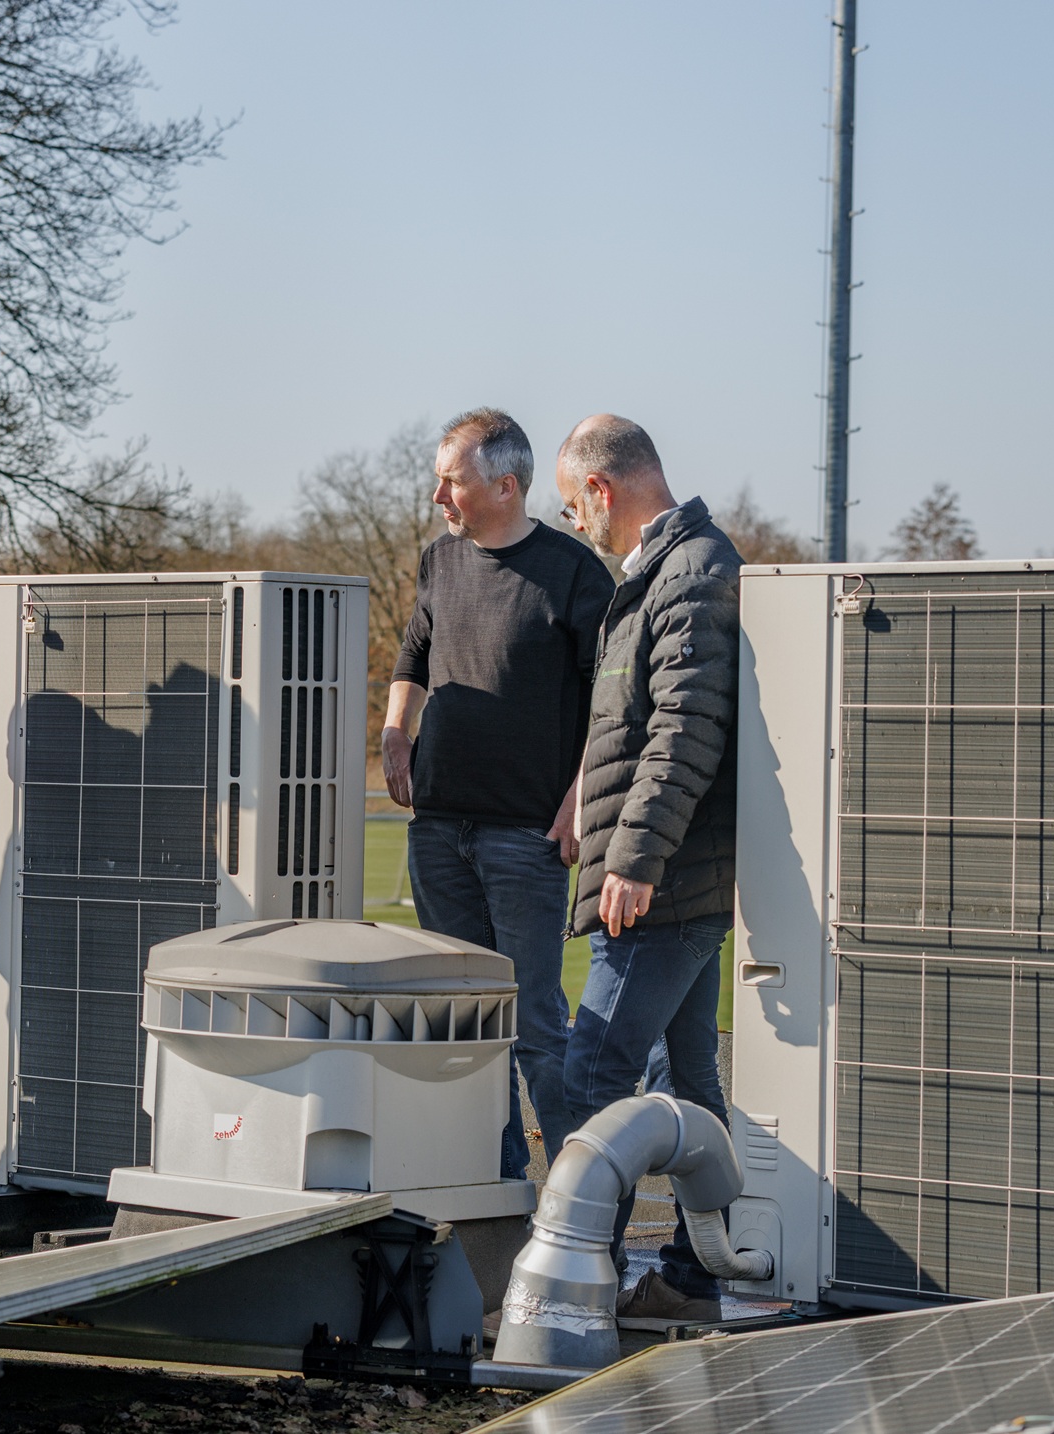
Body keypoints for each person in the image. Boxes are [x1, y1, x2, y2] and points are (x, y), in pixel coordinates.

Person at [383, 408, 614, 1180]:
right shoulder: (437, 562)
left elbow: (610, 702)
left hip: (526, 839)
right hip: (439, 831)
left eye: (452, 480)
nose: (438, 496)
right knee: (462, 1027)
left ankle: (585, 1209)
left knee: (538, 1028)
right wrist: (393, 731)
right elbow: (413, 652)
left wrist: (581, 794)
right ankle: (496, 1192)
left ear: (507, 486)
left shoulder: (577, 574)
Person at [553, 413, 742, 1327]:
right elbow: (630, 730)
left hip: (661, 886)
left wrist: (631, 857)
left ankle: (578, 1283)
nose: (574, 526)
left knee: (592, 1077)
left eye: (572, 506)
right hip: (673, 879)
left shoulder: (693, 572)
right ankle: (696, 1277)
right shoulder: (661, 576)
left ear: (603, 489)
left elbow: (684, 730)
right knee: (689, 1088)